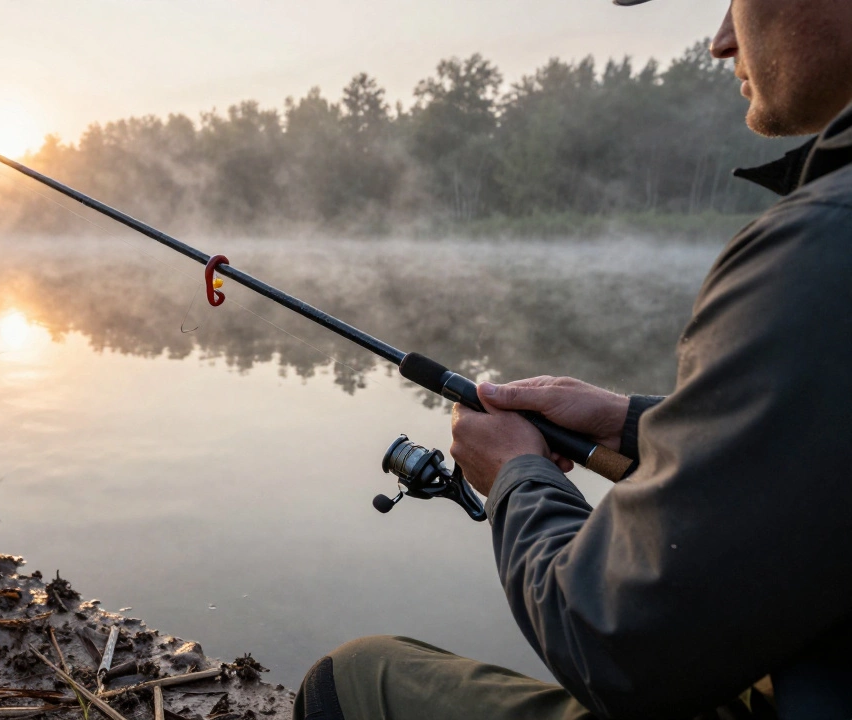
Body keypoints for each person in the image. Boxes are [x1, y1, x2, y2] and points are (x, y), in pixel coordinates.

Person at [293, 1, 852, 718]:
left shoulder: (819, 250)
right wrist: (625, 424)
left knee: (352, 679)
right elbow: (806, 463)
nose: (719, 41)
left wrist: (515, 476)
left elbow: (614, 643)